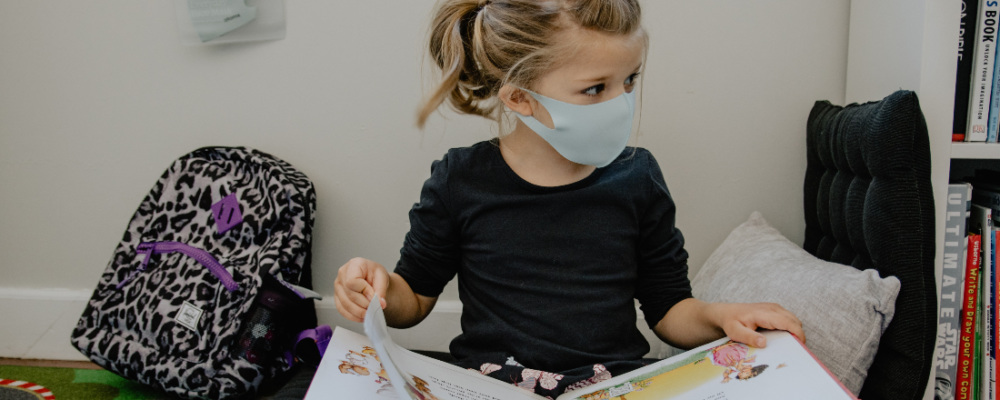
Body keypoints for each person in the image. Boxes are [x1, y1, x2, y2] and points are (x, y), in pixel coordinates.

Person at [334, 0, 805, 396]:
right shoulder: (462, 179)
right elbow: (413, 299)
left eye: (630, 81)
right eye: (596, 88)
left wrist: (723, 316)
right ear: (519, 98)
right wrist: (378, 289)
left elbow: (669, 309)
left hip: (612, 383)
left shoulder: (637, 177)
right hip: (493, 384)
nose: (622, 102)